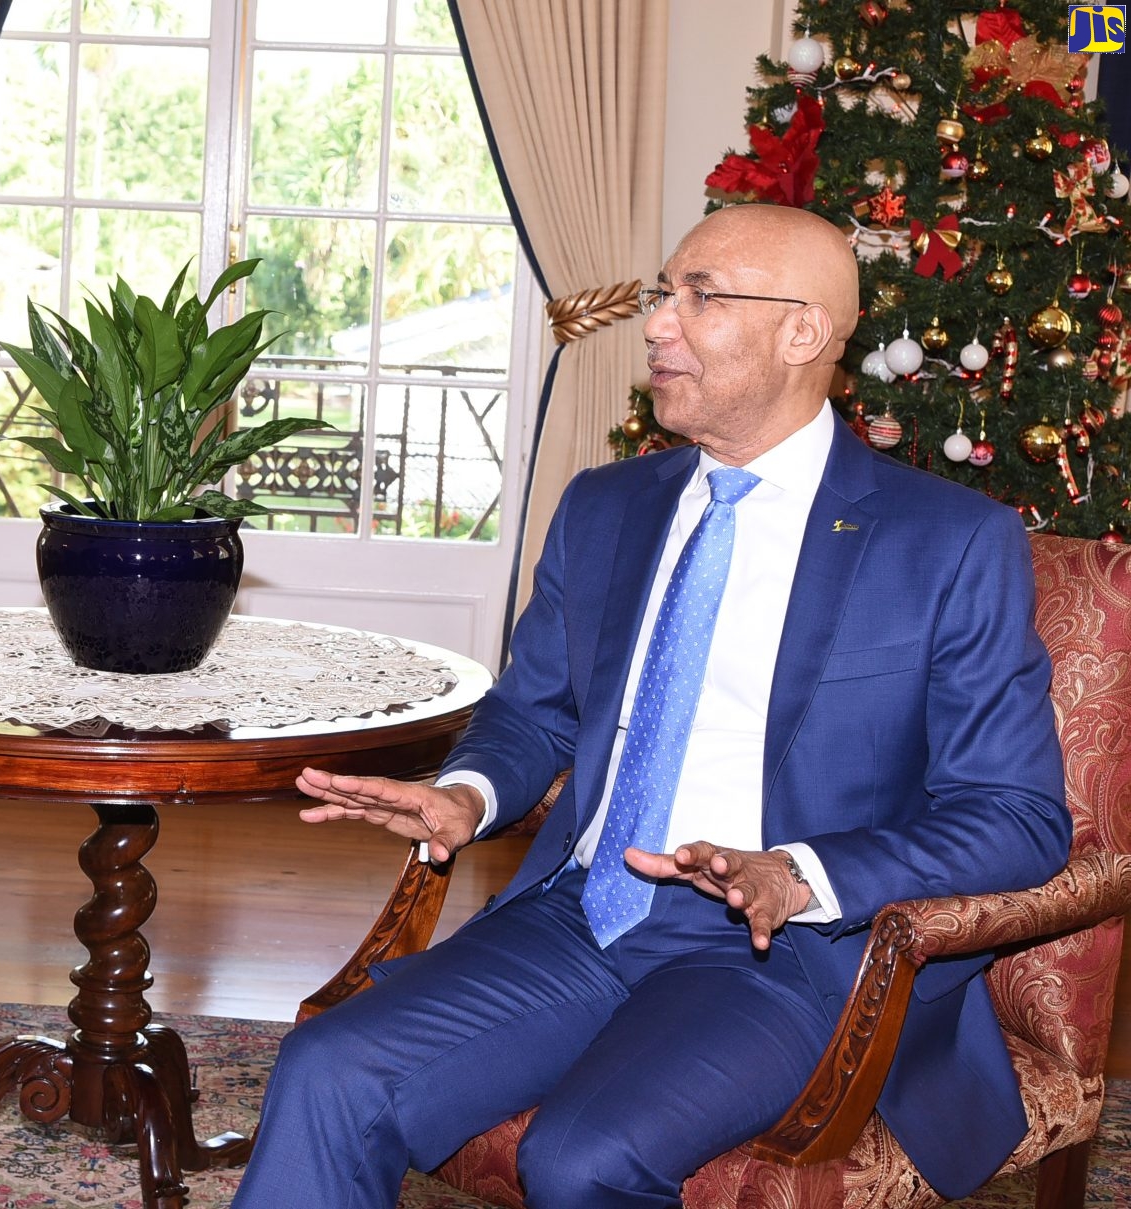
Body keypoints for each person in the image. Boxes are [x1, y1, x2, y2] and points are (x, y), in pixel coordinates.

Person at [232, 204, 1071, 1208]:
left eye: (700, 297)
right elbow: (534, 712)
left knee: (580, 1159)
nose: (657, 325)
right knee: (327, 1070)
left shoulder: (944, 543)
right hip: (580, 915)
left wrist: (796, 872)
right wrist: (465, 794)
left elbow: (1015, 817)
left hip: (785, 957)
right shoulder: (604, 506)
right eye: (662, 294)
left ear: (802, 333)